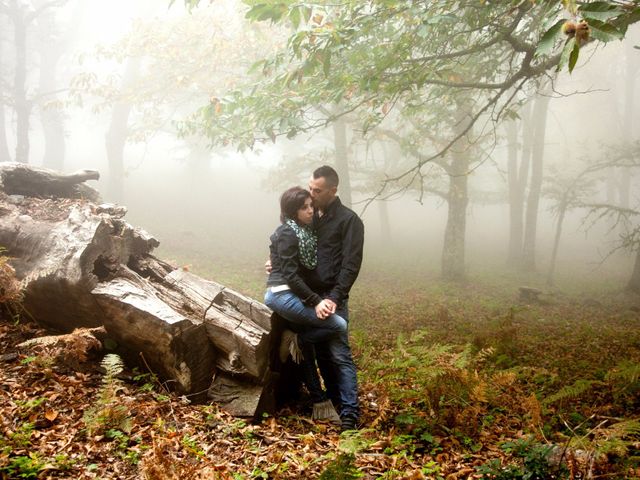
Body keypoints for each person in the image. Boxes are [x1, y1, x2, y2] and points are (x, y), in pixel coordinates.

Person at [264, 186, 347, 425]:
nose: (311, 210)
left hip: (293, 293)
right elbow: (290, 274)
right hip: (281, 295)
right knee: (338, 324)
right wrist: (316, 301)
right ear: (292, 211)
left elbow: (278, 252)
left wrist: (274, 258)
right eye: (304, 207)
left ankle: (320, 402)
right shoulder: (289, 233)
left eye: (311, 205)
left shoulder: (304, 231)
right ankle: (297, 339)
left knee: (305, 353)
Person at [303, 165, 364, 431]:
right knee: (321, 354)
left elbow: (351, 264)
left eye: (317, 190)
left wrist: (335, 298)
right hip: (310, 297)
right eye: (310, 189)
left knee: (339, 354)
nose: (312, 194)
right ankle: (336, 401)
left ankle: (350, 414)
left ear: (332, 190)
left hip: (333, 297)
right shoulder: (310, 217)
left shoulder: (350, 221)